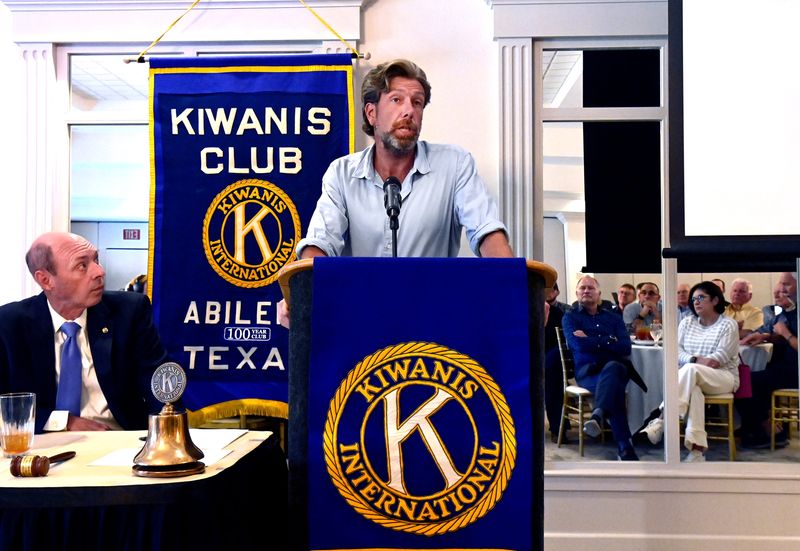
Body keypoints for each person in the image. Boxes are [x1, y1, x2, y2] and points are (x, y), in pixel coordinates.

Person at [278, 59, 513, 326]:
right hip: (360, 320)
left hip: (435, 322)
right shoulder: (341, 174)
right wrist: (303, 293)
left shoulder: (455, 163)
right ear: (371, 113)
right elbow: (320, 243)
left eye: (417, 102)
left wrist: (515, 289)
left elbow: (486, 230)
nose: (409, 111)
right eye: (396, 100)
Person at [0, 232, 168, 433]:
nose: (99, 272)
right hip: (41, 446)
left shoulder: (129, 312)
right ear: (45, 280)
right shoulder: (9, 324)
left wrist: (165, 439)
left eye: (96, 260)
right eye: (82, 265)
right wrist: (63, 422)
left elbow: (160, 385)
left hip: (118, 440)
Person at [639, 281, 739, 462]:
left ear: (715, 300)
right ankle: (697, 452)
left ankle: (662, 418)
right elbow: (676, 352)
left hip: (723, 378)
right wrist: (694, 359)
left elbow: (717, 360)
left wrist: (692, 361)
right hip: (693, 377)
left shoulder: (728, 325)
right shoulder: (686, 323)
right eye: (694, 299)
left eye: (701, 297)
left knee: (690, 370)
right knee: (693, 390)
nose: (696, 302)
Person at [562, 275, 638, 460]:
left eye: (591, 288)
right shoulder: (570, 318)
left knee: (614, 368)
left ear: (599, 294)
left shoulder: (613, 318)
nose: (586, 291)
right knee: (615, 385)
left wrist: (589, 339)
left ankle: (598, 415)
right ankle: (624, 446)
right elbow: (578, 346)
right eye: (582, 288)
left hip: (613, 368)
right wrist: (608, 340)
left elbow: (625, 347)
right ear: (577, 293)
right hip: (588, 372)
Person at [737, 272, 798, 449]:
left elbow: (787, 335)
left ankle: (771, 431)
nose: (779, 289)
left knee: (744, 381)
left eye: (786, 285)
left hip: (796, 371)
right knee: (744, 378)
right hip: (783, 367)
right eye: (779, 284)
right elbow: (777, 333)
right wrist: (764, 336)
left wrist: (785, 333)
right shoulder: (783, 312)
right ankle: (755, 428)